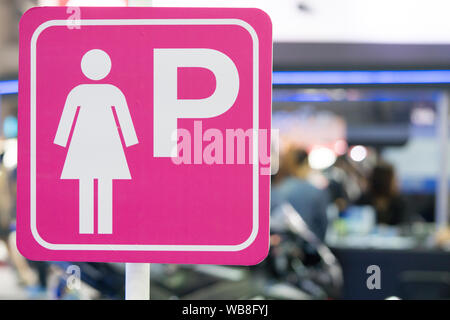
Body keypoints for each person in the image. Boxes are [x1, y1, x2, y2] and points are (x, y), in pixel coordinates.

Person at [54, 49, 139, 235]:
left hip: (92, 143)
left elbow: (123, 117)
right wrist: (130, 141)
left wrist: (61, 141)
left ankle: (98, 229)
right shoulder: (105, 91)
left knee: (97, 182)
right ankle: (91, 229)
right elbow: (68, 117)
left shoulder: (91, 91)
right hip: (98, 143)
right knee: (93, 182)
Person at [272, 149, 329, 241]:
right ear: (305, 164)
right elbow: (323, 225)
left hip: (281, 248)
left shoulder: (275, 190)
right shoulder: (315, 192)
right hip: (308, 248)